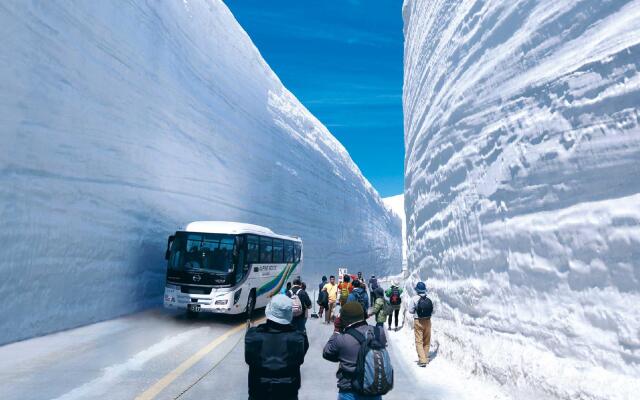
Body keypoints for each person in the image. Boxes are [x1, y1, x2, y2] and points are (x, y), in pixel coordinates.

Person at [245, 294, 309, 400]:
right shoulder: (299, 337)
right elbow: (300, 358)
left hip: (258, 393)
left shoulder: (252, 335)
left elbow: (249, 360)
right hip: (288, 394)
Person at [323, 302, 389, 400]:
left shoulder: (343, 339)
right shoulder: (379, 332)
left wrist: (337, 330)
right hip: (374, 389)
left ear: (344, 319)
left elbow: (327, 353)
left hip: (349, 390)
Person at [408, 282, 434, 367]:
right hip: (428, 321)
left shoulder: (414, 298)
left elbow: (410, 310)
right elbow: (433, 310)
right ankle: (425, 357)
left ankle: (422, 360)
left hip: (418, 321)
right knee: (427, 340)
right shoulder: (428, 299)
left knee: (419, 341)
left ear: (417, 290)